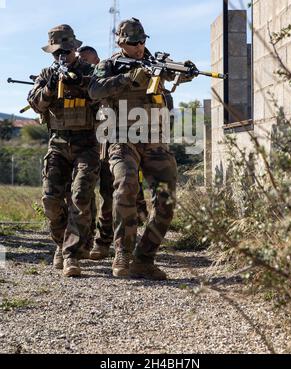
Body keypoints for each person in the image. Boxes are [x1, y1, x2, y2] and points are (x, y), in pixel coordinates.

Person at [88, 18, 178, 280]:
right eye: (132, 43)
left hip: (154, 138)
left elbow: (170, 90)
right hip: (121, 138)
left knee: (167, 200)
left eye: (142, 42)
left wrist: (179, 73)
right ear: (120, 42)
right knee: (126, 186)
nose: (139, 47)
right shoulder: (109, 65)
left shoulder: (155, 64)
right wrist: (128, 78)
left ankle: (144, 259)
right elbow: (94, 90)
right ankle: (122, 253)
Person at [28, 24, 100, 277]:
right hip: (58, 142)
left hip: (86, 142)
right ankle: (61, 243)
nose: (61, 56)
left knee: (80, 197)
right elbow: (35, 103)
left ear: (74, 48)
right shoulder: (47, 73)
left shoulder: (89, 70)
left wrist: (81, 83)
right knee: (50, 200)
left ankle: (71, 254)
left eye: (65, 51)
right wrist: (49, 88)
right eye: (56, 52)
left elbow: (104, 93)